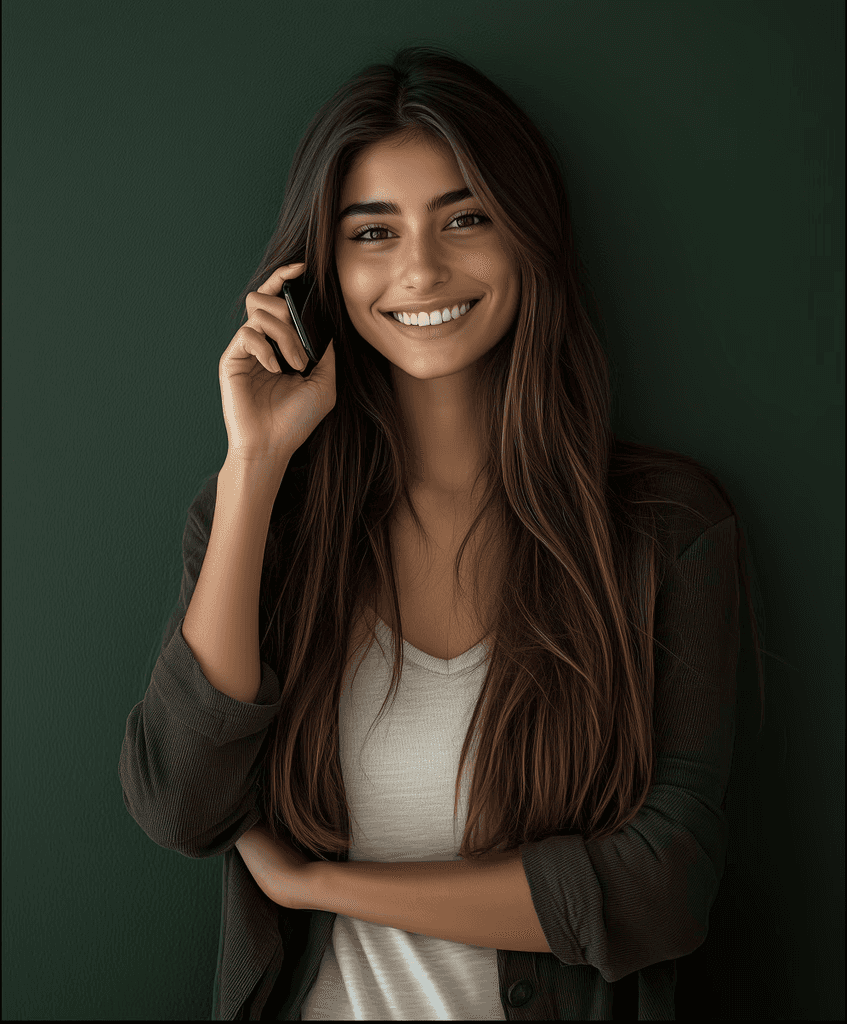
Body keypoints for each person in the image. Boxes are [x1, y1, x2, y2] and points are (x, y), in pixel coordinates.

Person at [119, 44, 765, 1021]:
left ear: (527, 235)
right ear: (320, 270)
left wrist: (320, 885)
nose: (420, 268)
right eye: (372, 232)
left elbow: (662, 887)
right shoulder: (268, 519)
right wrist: (255, 461)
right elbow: (179, 801)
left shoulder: (665, 532)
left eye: (465, 217)